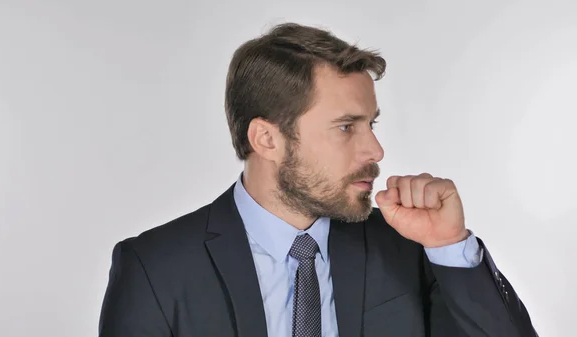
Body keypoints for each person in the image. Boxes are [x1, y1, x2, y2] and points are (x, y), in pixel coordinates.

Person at [98, 22, 537, 337]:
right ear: (266, 138)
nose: (376, 152)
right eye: (347, 127)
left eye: (372, 125)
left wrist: (450, 246)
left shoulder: (410, 247)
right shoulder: (155, 268)